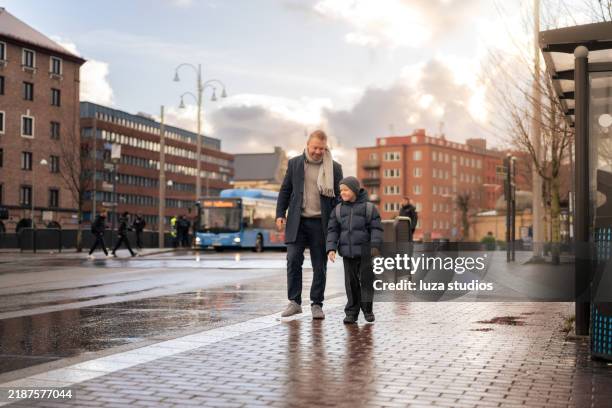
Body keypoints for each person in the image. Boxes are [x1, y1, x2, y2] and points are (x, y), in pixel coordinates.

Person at [276, 130, 343, 320]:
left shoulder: (334, 168)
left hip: (321, 223)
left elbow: (339, 197)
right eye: (315, 147)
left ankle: (316, 304)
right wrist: (280, 213)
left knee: (319, 265)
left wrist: (338, 223)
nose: (318, 152)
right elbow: (286, 190)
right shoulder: (295, 163)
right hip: (298, 221)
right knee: (293, 259)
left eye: (322, 148)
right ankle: (295, 302)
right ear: (307, 145)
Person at [326, 177, 383, 324]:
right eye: (341, 190)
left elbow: (376, 229)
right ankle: (351, 312)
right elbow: (332, 230)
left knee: (366, 282)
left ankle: (367, 309)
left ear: (355, 190)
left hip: (365, 254)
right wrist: (331, 248)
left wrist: (375, 246)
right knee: (350, 284)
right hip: (348, 254)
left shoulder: (369, 208)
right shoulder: (338, 210)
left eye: (346, 190)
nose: (342, 193)